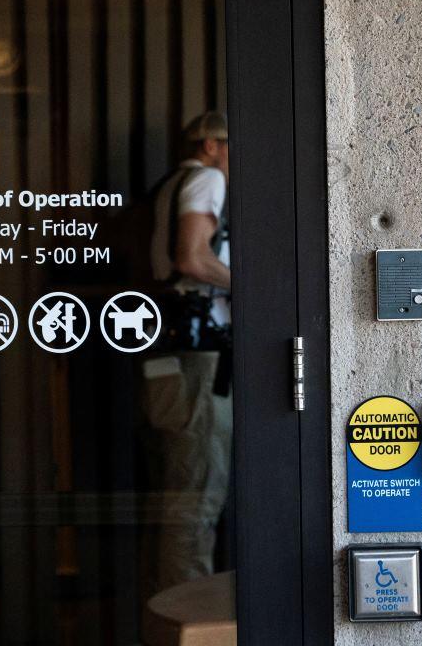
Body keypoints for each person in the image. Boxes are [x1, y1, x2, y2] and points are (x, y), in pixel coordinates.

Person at [139, 112, 232, 599]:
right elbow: (192, 257)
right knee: (196, 498)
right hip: (195, 359)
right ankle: (189, 620)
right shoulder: (207, 179)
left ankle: (171, 612)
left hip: (166, 360)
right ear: (213, 146)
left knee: (179, 495)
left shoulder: (169, 184)